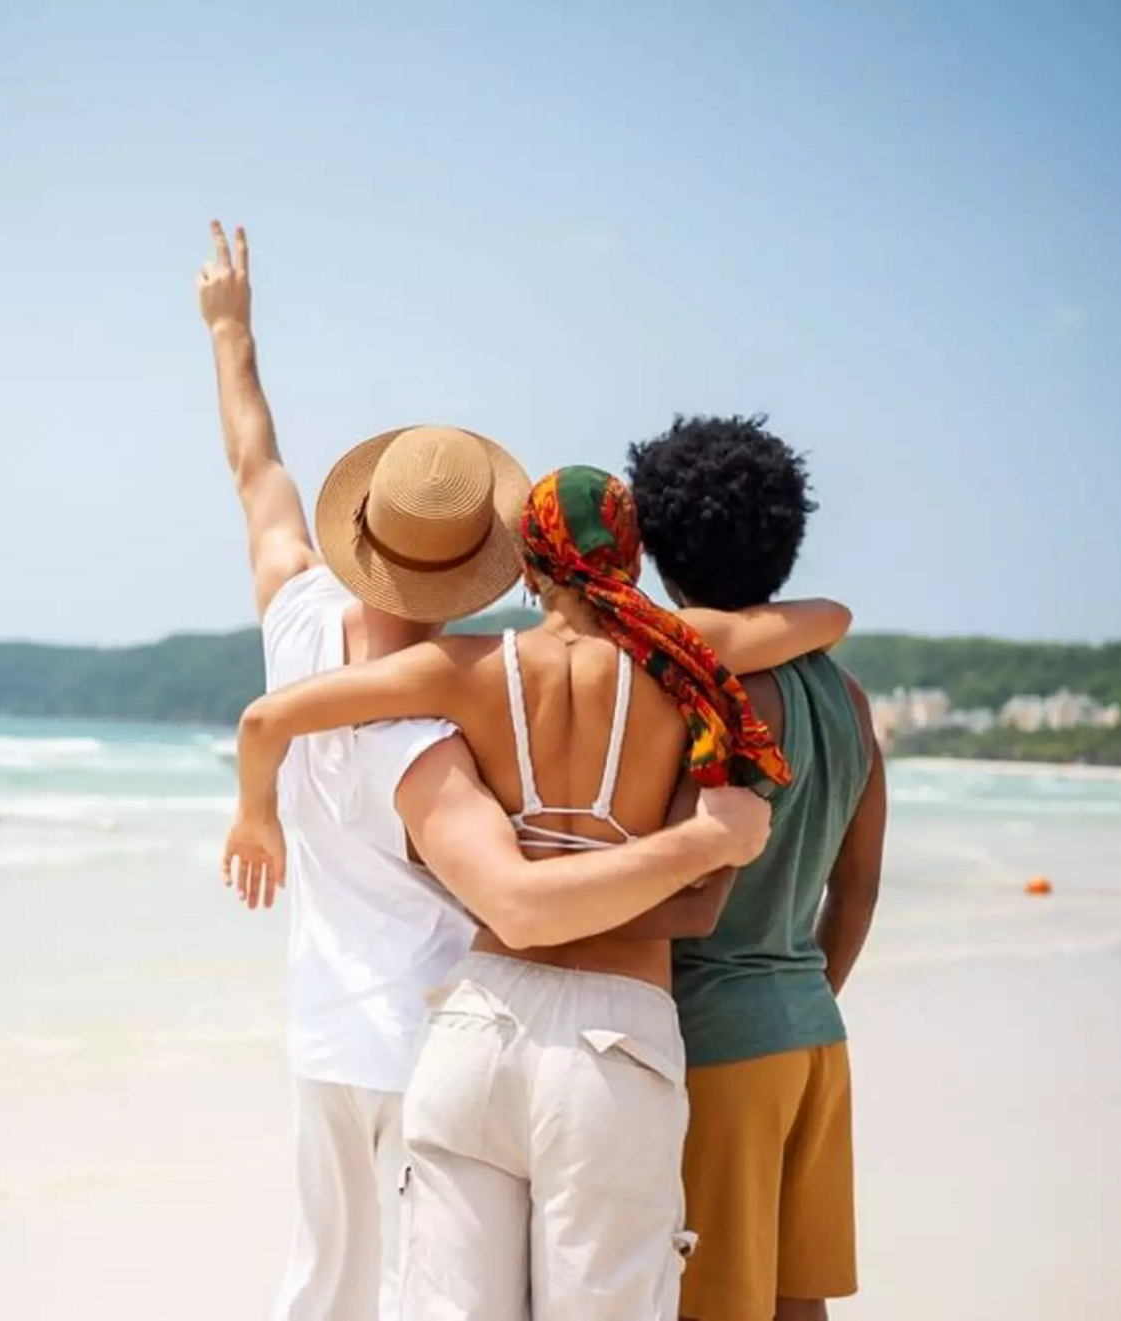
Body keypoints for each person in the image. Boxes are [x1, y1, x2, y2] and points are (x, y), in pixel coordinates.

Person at [199, 226, 779, 1321]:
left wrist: (230, 329)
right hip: (437, 1027)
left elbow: (255, 471)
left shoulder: (318, 621)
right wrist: (706, 842)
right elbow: (521, 899)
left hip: (339, 1034)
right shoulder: (437, 737)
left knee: (324, 1287)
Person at [225, 464, 852, 1320]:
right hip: (613, 1041)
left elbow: (265, 720)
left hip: (478, 1028)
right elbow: (830, 618)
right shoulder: (683, 656)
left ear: (527, 566)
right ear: (632, 558)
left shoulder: (465, 666)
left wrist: (256, 816)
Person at [627, 416, 887, 1321]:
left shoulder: (698, 692)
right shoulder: (848, 697)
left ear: (660, 552)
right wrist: (803, 991)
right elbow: (857, 887)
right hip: (813, 1031)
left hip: (715, 1041)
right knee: (795, 1300)